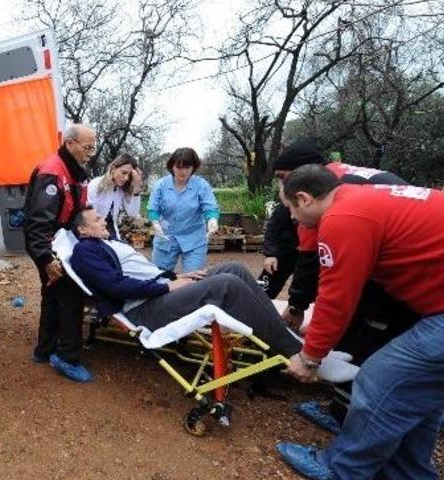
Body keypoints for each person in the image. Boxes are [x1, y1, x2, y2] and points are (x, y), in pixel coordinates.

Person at [276, 165, 444, 480]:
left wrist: (310, 356)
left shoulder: (342, 219)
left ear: (303, 199)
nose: (292, 218)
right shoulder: (362, 199)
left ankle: (340, 469)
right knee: (417, 391)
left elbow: (337, 297)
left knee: (379, 379)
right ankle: (410, 472)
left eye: (290, 208)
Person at [67, 206, 354, 377]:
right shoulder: (85, 251)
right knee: (224, 286)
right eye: (95, 220)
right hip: (143, 309)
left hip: (157, 291)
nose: (103, 220)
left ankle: (290, 338)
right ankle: (301, 355)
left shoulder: (104, 244)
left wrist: (175, 276)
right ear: (81, 230)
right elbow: (115, 286)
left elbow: (140, 272)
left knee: (234, 268)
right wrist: (166, 285)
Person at [264, 139, 414, 432]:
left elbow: (329, 285)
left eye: (284, 179)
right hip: (410, 264)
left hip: (399, 275)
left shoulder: (333, 209)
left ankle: (349, 418)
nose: (284, 190)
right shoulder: (345, 180)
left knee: (364, 334)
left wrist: (307, 344)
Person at [24, 124, 95, 383]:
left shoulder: (74, 172)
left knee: (52, 295)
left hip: (60, 241)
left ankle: (44, 350)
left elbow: (77, 209)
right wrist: (46, 258)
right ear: (70, 144)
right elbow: (38, 222)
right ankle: (66, 357)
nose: (90, 153)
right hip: (49, 244)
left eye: (93, 148)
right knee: (70, 296)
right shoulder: (53, 172)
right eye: (87, 147)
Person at [148, 147, 219, 273]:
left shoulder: (201, 185)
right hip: (166, 236)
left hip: (194, 238)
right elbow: (153, 209)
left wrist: (212, 220)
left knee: (193, 278)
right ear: (172, 167)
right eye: (179, 167)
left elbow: (210, 207)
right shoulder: (160, 185)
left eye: (187, 167)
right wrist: (155, 222)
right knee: (159, 276)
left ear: (193, 167)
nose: (183, 172)